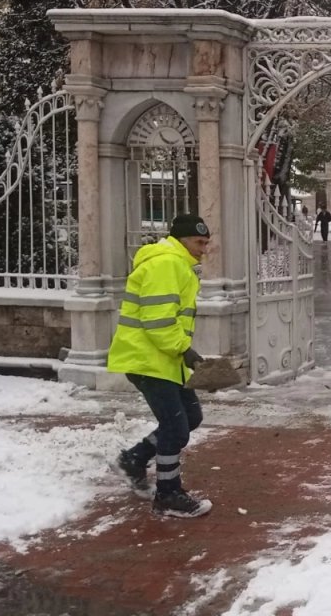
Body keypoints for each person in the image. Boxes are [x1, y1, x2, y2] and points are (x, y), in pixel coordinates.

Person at [110, 214, 213, 518]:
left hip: (163, 360)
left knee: (190, 417)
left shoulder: (177, 264)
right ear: (182, 240)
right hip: (147, 359)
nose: (204, 249)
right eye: (199, 242)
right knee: (175, 428)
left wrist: (182, 354)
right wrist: (185, 350)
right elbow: (157, 321)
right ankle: (168, 494)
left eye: (206, 242)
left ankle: (133, 459)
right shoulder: (166, 264)